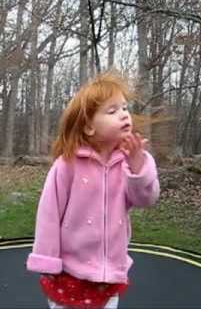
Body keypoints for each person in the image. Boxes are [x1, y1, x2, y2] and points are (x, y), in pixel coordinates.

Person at [27, 72, 160, 309]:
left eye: (124, 108)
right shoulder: (67, 165)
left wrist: (138, 166)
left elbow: (146, 199)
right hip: (69, 271)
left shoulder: (130, 162)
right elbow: (49, 214)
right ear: (89, 127)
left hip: (110, 271)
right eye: (112, 111)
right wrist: (48, 261)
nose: (123, 114)